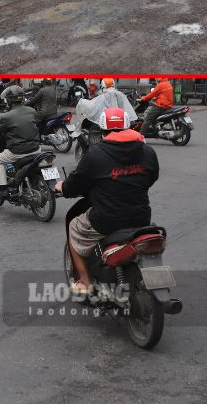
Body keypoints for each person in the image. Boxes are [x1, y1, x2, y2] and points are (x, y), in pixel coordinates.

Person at [56, 107, 159, 294]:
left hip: (106, 221)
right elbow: (151, 178)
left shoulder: (95, 153)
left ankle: (85, 281)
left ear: (102, 130)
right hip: (141, 218)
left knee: (74, 227)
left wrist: (63, 187)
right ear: (128, 126)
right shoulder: (148, 151)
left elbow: (75, 184)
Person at [0, 87, 41, 199]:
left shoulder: (6, 116)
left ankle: (3, 190)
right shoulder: (32, 111)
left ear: (9, 100)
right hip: (36, 149)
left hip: (18, 151)